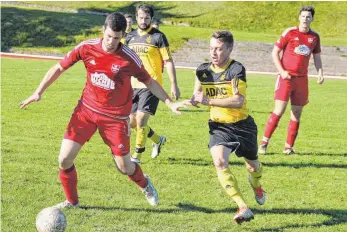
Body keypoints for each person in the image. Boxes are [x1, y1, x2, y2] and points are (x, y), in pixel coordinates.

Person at [20, 12, 186, 209]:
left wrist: (169, 101)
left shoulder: (128, 58)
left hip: (116, 119)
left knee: (125, 167)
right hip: (86, 112)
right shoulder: (86, 47)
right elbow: (59, 68)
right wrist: (38, 92)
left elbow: (150, 82)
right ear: (103, 30)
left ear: (123, 36)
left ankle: (144, 184)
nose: (111, 42)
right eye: (109, 36)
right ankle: (72, 201)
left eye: (117, 38)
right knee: (64, 159)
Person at [185, 30, 265, 224]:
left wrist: (207, 99)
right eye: (211, 48)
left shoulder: (236, 69)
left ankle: (256, 185)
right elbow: (197, 95)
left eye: (219, 49)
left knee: (252, 165)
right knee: (220, 162)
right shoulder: (202, 70)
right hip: (219, 127)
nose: (214, 52)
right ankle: (242, 206)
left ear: (229, 49)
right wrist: (190, 101)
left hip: (243, 125)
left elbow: (238, 101)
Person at [259, 6, 324, 155]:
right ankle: (263, 144)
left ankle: (288, 148)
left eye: (308, 17)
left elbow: (317, 57)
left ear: (312, 18)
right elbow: (275, 52)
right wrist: (282, 72)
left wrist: (320, 72)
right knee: (279, 111)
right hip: (286, 79)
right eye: (303, 16)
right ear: (299, 17)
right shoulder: (290, 32)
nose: (305, 19)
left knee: (296, 113)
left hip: (302, 80)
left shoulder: (314, 37)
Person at [125, 4, 180, 163]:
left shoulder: (158, 37)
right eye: (141, 18)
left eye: (147, 18)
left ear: (151, 19)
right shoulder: (130, 37)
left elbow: (168, 61)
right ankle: (158, 140)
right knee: (133, 123)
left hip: (151, 85)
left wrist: (173, 84)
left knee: (141, 120)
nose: (143, 21)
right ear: (136, 17)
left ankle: (136, 157)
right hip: (132, 85)